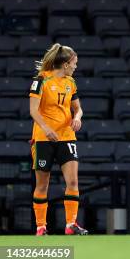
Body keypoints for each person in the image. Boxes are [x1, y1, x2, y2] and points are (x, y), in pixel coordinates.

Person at [29, 43, 87, 236]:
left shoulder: (71, 82)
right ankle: (41, 227)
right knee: (42, 184)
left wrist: (77, 118)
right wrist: (46, 129)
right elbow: (33, 110)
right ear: (64, 63)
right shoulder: (41, 81)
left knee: (73, 182)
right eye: (74, 63)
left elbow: (77, 108)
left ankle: (71, 224)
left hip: (67, 137)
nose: (75, 66)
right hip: (43, 139)